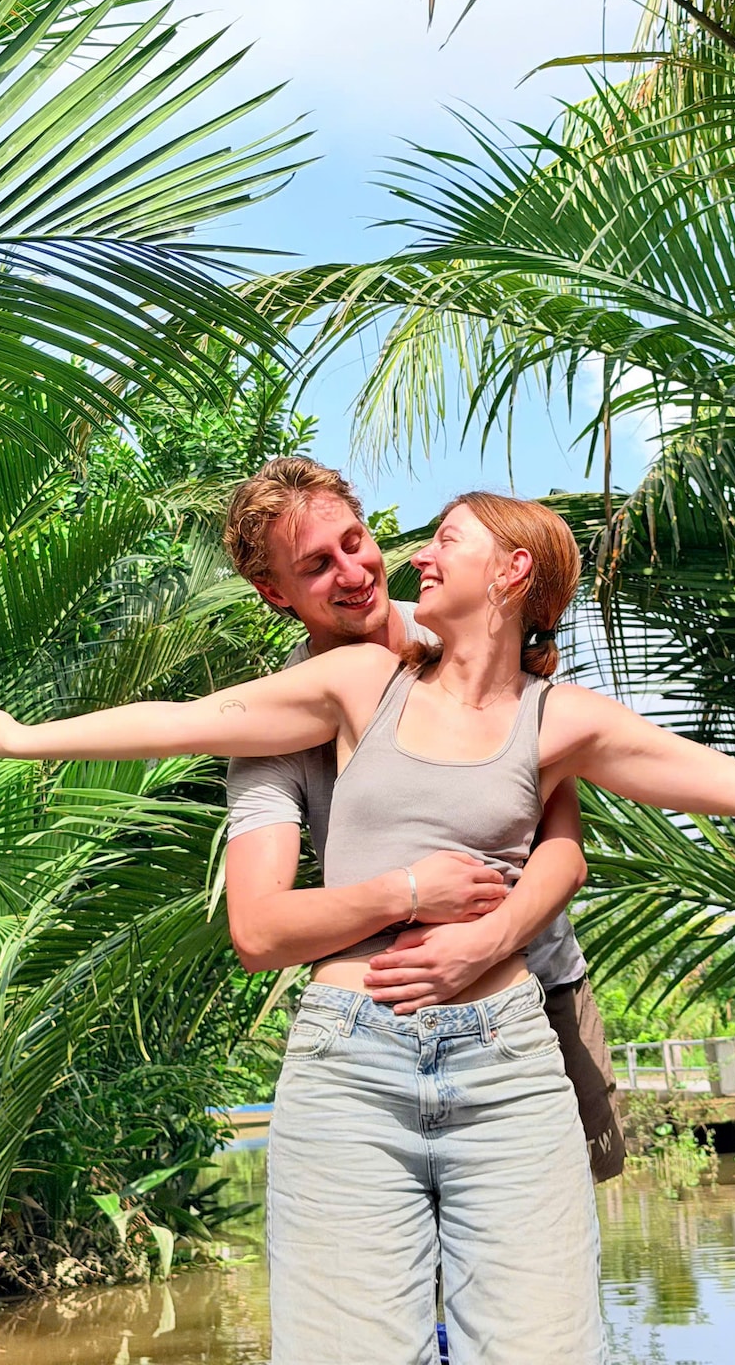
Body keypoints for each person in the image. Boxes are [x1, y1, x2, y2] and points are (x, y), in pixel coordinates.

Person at [0, 493, 735, 1365]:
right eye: (325, 562)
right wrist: (25, 740)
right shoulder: (348, 686)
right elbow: (193, 726)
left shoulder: (554, 715)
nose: (388, 563)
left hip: (517, 1042)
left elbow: (727, 789)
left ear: (508, 573)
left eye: (405, 542)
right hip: (354, 1054)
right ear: (279, 593)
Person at [219, 456, 625, 1181]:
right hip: (382, 1019)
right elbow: (257, 931)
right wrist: (408, 892)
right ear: (273, 591)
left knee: (555, 1236)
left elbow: (563, 849)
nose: (353, 572)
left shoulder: (464, 630)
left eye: (354, 542)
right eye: (317, 566)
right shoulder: (272, 724)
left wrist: (487, 940)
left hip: (540, 989)